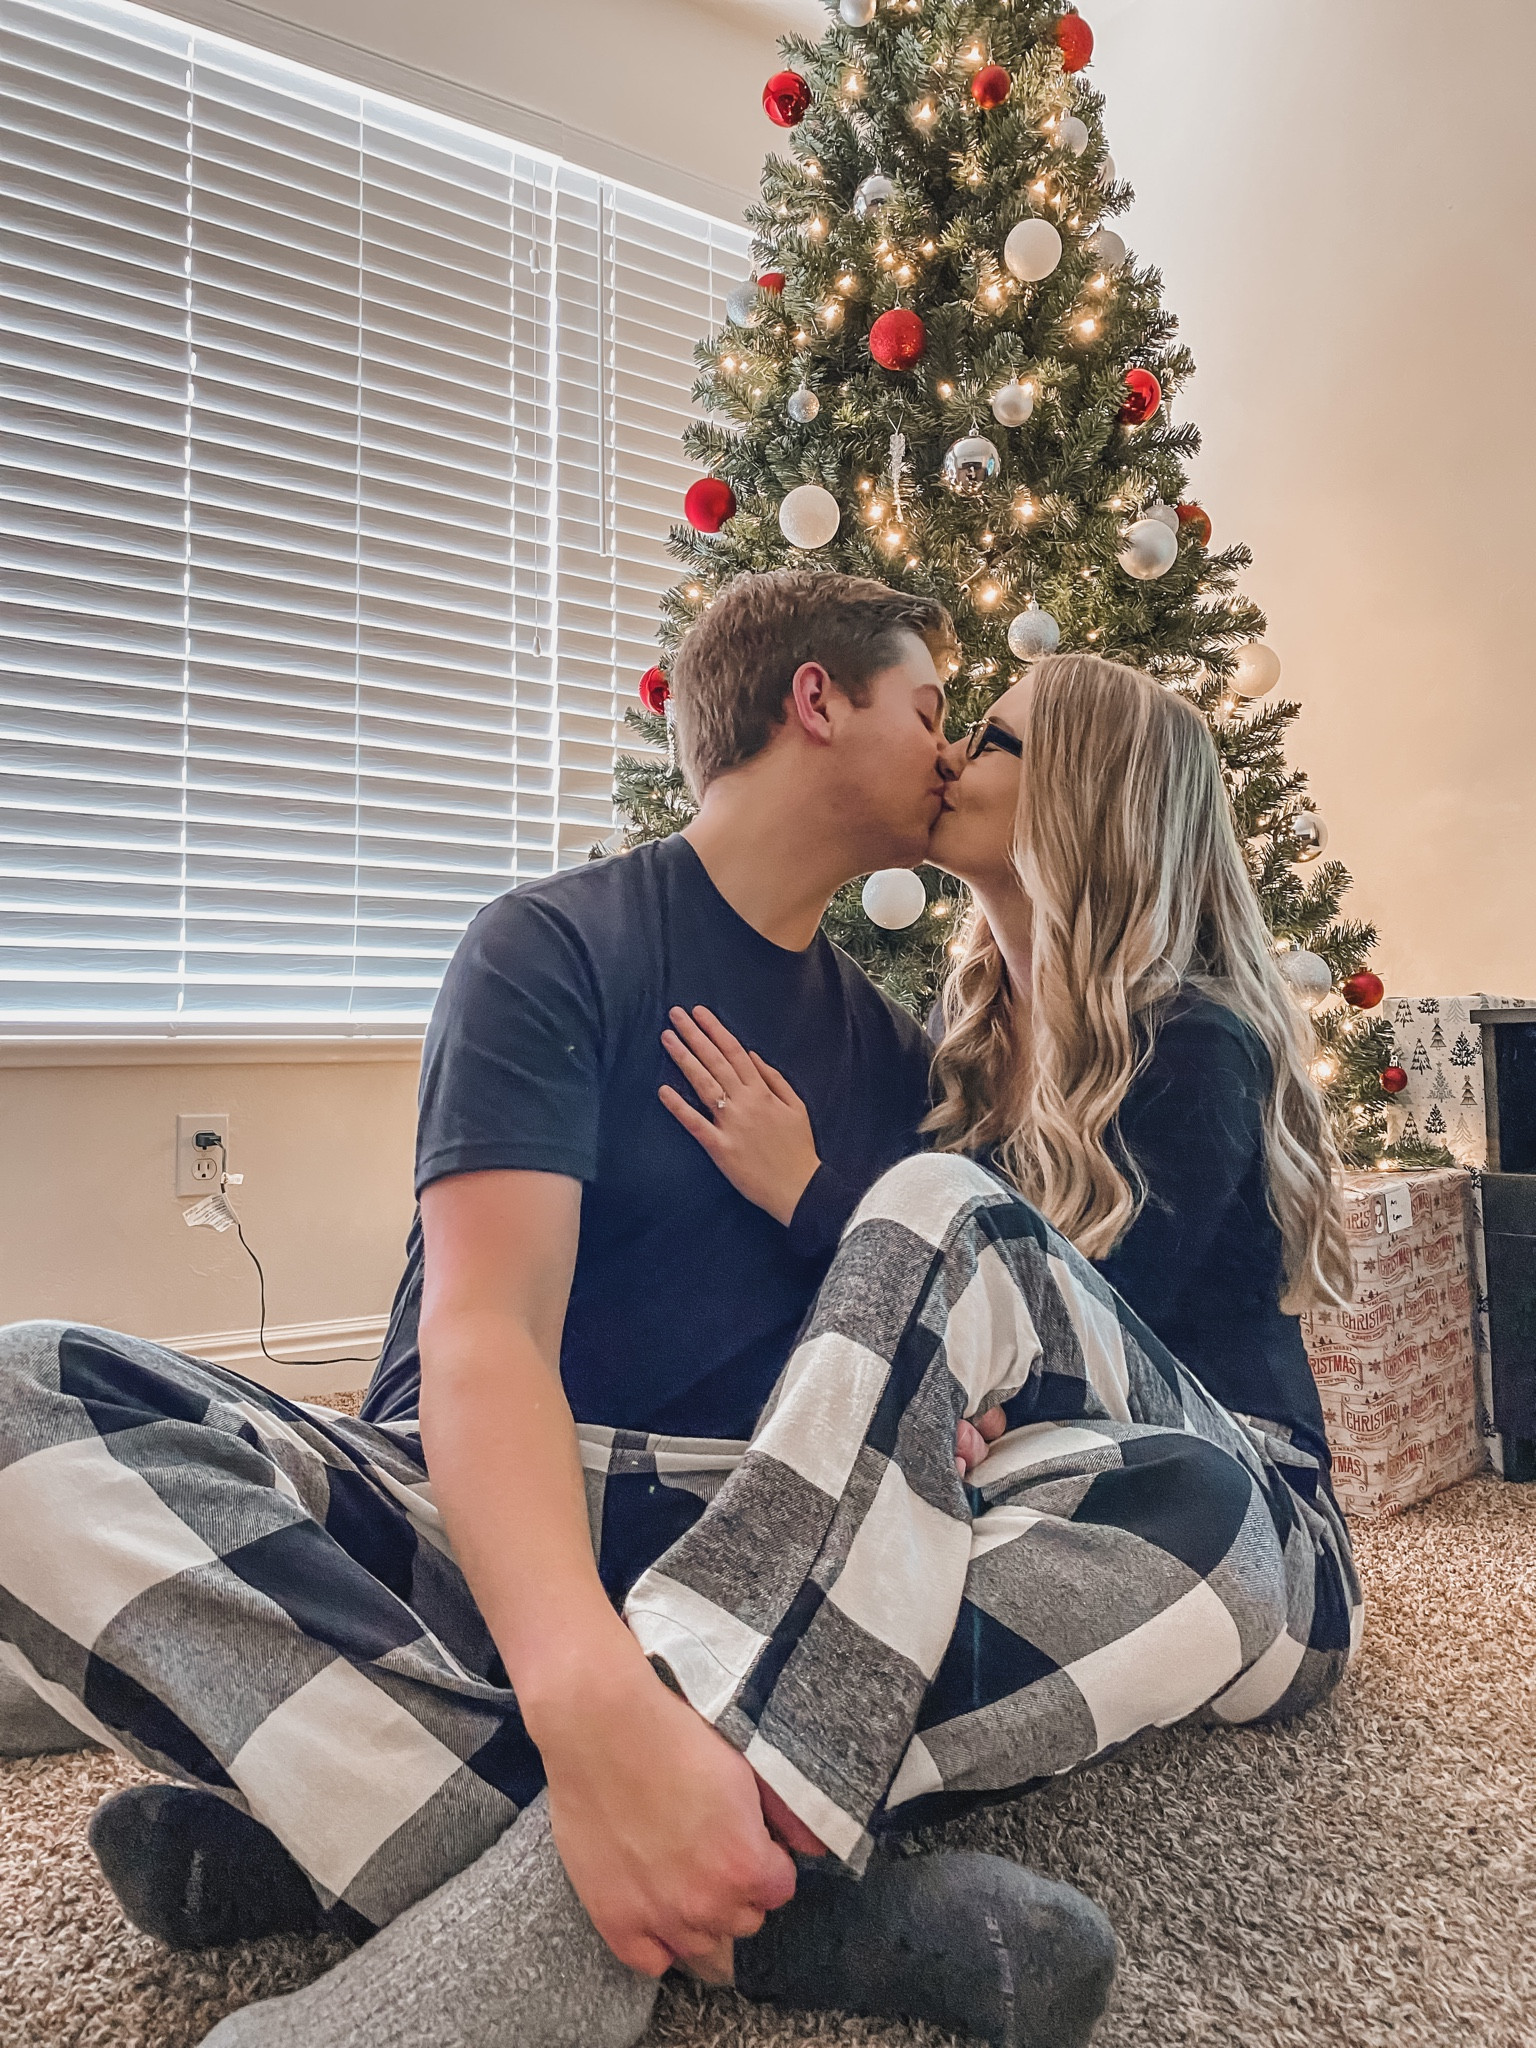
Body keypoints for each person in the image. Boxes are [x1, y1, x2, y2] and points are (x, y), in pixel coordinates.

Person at [0, 572, 1118, 2048]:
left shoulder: (902, 1058)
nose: (949, 750)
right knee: (26, 1397)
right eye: (929, 707)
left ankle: (388, 1842)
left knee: (1117, 1499)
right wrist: (590, 1705)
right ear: (817, 699)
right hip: (476, 1532)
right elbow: (487, 1335)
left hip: (753, 1570)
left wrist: (1018, 889)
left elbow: (1001, 1313)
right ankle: (759, 1904)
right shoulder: (555, 944)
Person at [922, 652, 1349, 1480]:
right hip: (1044, 1448)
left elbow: (1090, 1349)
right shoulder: (966, 1023)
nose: (946, 756)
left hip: (1227, 1469)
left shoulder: (1192, 1044)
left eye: (988, 742)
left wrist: (804, 1189)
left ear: (1079, 794)